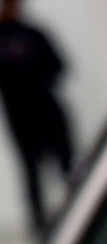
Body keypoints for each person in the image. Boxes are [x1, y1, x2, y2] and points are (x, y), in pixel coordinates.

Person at [0, 0, 70, 232]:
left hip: (46, 109)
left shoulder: (33, 33)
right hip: (19, 115)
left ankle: (78, 212)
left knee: (66, 163)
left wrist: (35, 78)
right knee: (30, 170)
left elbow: (59, 65)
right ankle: (39, 225)